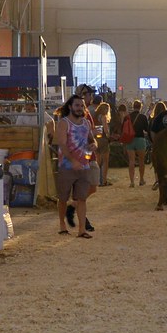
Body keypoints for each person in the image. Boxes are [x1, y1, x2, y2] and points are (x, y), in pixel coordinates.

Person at [55, 94, 96, 238]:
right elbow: (62, 144)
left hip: (83, 166)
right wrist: (72, 160)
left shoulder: (86, 123)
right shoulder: (64, 123)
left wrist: (94, 145)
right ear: (70, 106)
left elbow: (91, 140)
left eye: (82, 106)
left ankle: (82, 230)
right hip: (66, 166)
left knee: (82, 199)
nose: (80, 108)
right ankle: (62, 225)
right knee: (63, 198)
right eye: (77, 105)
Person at [124, 100, 150, 187]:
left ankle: (132, 181)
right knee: (141, 161)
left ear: (133, 107)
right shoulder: (143, 117)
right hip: (140, 139)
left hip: (130, 140)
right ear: (140, 107)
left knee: (131, 161)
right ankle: (141, 180)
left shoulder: (127, 117)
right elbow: (146, 129)